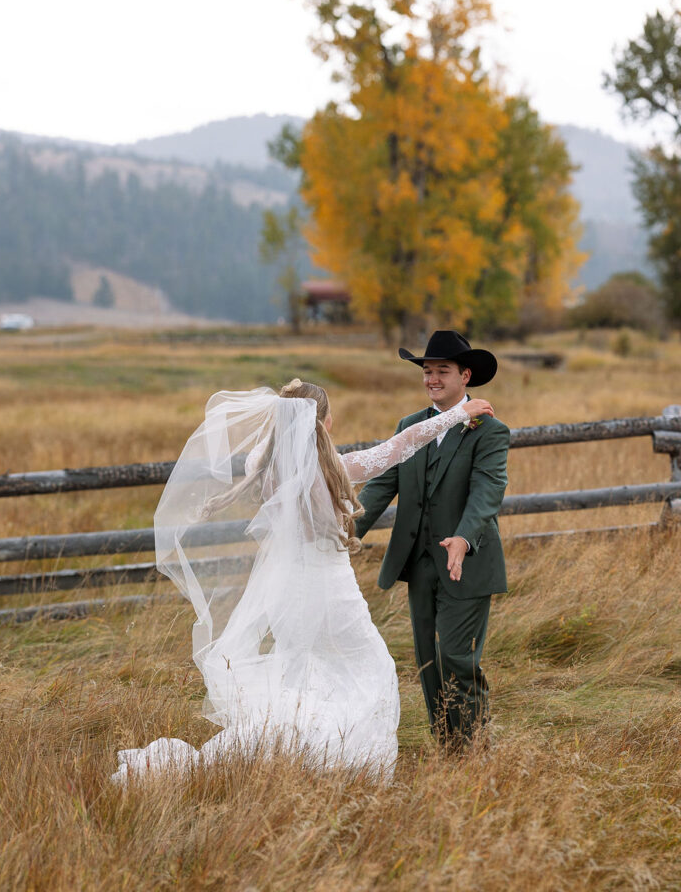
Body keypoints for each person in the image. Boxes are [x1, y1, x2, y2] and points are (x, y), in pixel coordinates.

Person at [112, 378, 493, 781]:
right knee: (372, 668)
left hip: (288, 595)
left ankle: (295, 758)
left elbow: (270, 446)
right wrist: (457, 414)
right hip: (330, 593)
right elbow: (398, 447)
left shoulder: (266, 467)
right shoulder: (335, 470)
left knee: (302, 676)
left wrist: (285, 422)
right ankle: (340, 760)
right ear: (325, 423)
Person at [355, 331, 509, 747]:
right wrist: (343, 532)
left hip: (467, 562)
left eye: (442, 370)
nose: (432, 379)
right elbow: (381, 485)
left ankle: (473, 749)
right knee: (427, 661)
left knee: (458, 658)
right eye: (427, 371)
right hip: (418, 563)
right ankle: (447, 746)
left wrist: (463, 537)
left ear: (466, 375)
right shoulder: (410, 426)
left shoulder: (489, 431)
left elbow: (487, 491)